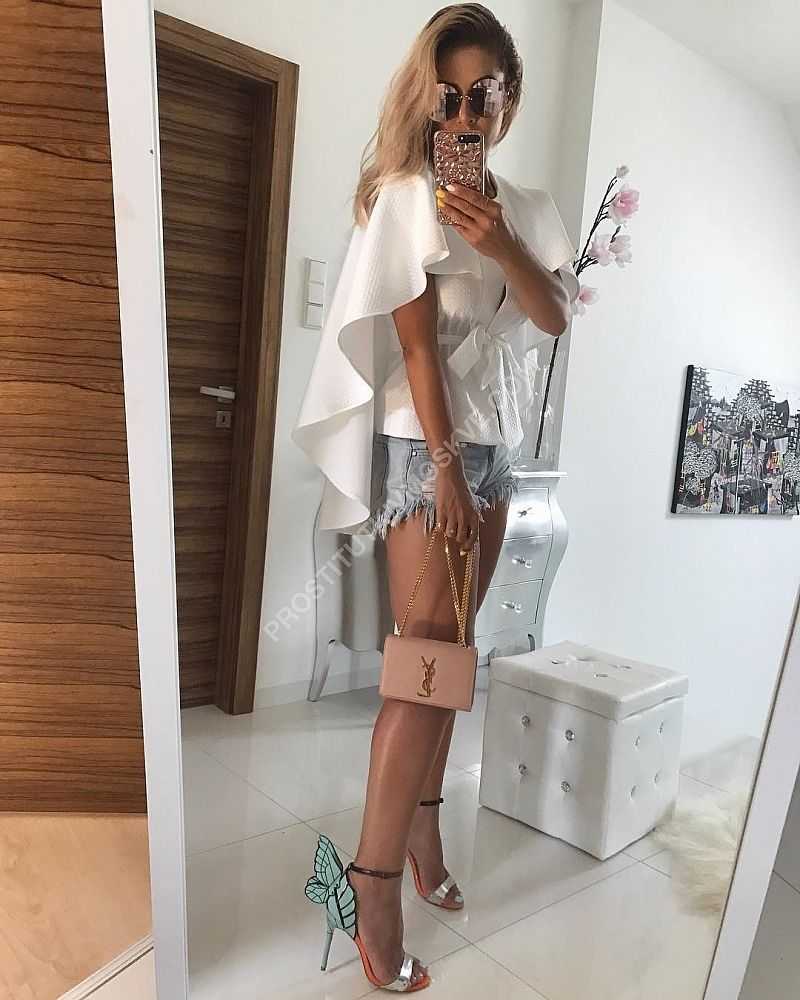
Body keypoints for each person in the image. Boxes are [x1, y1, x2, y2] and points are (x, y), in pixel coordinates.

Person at [293, 4, 579, 992]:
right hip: (428, 449)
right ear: (428, 102)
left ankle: (422, 835)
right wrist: (446, 468)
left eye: (480, 95)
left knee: (451, 662)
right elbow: (416, 349)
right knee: (420, 668)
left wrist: (501, 244)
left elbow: (552, 315)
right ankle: (371, 885)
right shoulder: (404, 198)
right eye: (446, 97)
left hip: (494, 448)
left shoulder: (525, 207)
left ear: (507, 98)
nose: (462, 116)